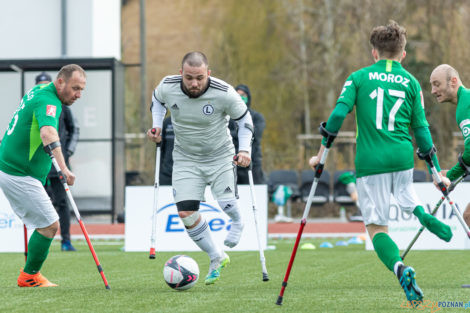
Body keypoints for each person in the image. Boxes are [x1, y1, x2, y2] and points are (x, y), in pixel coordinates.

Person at [309, 21, 452, 306]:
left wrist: (321, 154)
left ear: (374, 53)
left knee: (376, 227)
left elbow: (337, 115)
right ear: (403, 54)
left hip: (370, 160)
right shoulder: (411, 82)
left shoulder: (358, 77)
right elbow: (422, 132)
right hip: (402, 155)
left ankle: (400, 268)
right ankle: (421, 214)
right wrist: (436, 172)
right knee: (406, 196)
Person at [147, 52, 253, 285]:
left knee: (226, 203)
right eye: (189, 78)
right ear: (180, 74)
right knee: (185, 212)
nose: (194, 83)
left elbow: (245, 120)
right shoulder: (168, 86)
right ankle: (216, 257)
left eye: (199, 77)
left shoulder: (224, 92)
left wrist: (244, 150)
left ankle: (237, 221)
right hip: (185, 158)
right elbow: (157, 100)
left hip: (220, 156)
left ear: (208, 74)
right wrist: (156, 125)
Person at [0, 64, 86, 287]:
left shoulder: (40, 89)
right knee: (49, 225)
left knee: (45, 222)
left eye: (82, 90)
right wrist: (64, 168)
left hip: (16, 167)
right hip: (19, 172)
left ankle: (30, 274)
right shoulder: (50, 101)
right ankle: (29, 276)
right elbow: (47, 132)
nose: (78, 95)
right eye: (75, 88)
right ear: (60, 83)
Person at [36, 72, 80, 251]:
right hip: (39, 165)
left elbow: (74, 130)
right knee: (39, 203)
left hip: (58, 164)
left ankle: (66, 241)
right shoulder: (36, 104)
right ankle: (39, 241)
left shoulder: (63, 107)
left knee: (63, 203)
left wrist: (68, 152)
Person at [429, 64, 470, 226]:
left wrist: (450, 176)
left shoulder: (465, 105)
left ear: (453, 81)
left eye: (436, 84)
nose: (432, 91)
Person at [228, 84, 266, 184]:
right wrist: (243, 132)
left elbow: (256, 135)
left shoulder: (257, 117)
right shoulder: (227, 117)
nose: (240, 97)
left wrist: (235, 134)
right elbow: (223, 135)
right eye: (238, 94)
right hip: (231, 162)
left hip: (252, 163)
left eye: (243, 95)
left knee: (254, 195)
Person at [159, 116, 174, 186]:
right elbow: (161, 149)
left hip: (187, 174)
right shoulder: (167, 122)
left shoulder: (192, 122)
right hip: (166, 174)